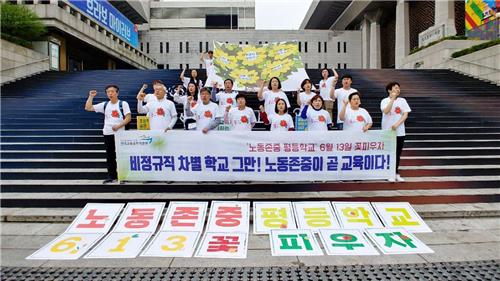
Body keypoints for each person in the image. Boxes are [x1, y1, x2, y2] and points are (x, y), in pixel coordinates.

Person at [84, 85, 131, 184]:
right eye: (108, 92)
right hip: (108, 133)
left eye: (112, 91)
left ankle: (123, 176)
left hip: (120, 134)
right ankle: (112, 176)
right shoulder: (105, 104)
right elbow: (88, 108)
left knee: (121, 155)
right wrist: (91, 96)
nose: (110, 93)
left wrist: (118, 126)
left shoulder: (123, 104)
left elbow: (128, 118)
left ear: (117, 93)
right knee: (110, 156)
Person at [381, 81, 411, 182]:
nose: (398, 89)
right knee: (388, 152)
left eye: (398, 88)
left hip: (399, 131)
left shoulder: (402, 100)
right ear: (389, 90)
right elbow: (386, 111)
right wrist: (392, 99)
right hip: (387, 131)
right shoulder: (384, 100)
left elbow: (405, 114)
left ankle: (395, 173)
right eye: (395, 88)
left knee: (397, 153)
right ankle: (387, 173)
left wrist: (397, 124)